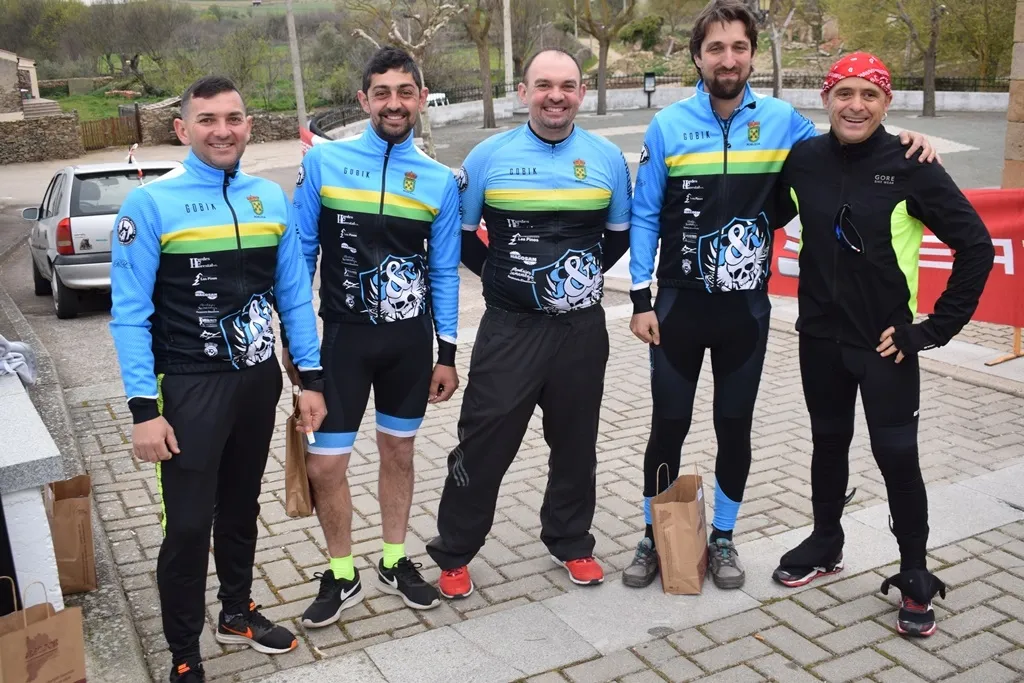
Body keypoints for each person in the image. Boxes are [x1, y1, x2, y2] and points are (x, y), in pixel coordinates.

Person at [625, 0, 937, 591]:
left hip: (745, 310)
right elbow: (645, 212)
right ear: (698, 57)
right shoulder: (668, 125)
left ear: (751, 56)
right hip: (677, 307)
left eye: (739, 47)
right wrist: (640, 298)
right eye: (716, 48)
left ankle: (722, 537)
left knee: (734, 427)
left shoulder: (782, 121)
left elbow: (848, 140)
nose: (728, 59)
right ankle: (652, 536)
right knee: (668, 425)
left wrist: (903, 141)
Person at [109, 75, 327, 683]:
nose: (222, 131)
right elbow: (129, 314)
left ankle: (236, 611)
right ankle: (184, 651)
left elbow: (293, 295)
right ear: (183, 129)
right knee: (186, 526)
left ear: (248, 126)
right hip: (188, 387)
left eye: (233, 118)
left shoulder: (270, 198)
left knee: (239, 507)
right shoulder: (151, 204)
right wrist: (143, 410)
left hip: (257, 383)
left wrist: (311, 379)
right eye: (207, 120)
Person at [771, 52, 993, 637]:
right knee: (827, 444)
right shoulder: (804, 159)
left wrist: (933, 330)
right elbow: (762, 211)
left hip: (885, 347)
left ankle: (914, 570)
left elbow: (976, 245)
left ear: (886, 103)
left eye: (869, 95)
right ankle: (826, 541)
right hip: (820, 338)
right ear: (826, 99)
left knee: (897, 458)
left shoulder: (912, 163)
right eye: (844, 93)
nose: (856, 105)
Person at [425, 48, 633, 598]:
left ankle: (571, 541)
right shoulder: (488, 156)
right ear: (523, 93)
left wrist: (574, 279)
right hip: (509, 329)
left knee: (576, 444)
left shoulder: (607, 158)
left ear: (581, 93)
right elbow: (462, 239)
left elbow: (618, 236)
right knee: (482, 442)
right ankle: (454, 551)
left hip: (581, 332)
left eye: (566, 86)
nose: (555, 96)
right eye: (543, 85)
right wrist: (508, 279)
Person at [290, 46, 461, 626]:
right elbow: (300, 257)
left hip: (409, 346)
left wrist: (447, 352)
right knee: (324, 467)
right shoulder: (325, 162)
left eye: (405, 92)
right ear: (364, 99)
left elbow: (443, 271)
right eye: (382, 92)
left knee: (399, 452)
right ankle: (341, 572)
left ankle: (393, 560)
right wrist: (296, 343)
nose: (394, 103)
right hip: (342, 342)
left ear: (421, 98)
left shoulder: (437, 180)